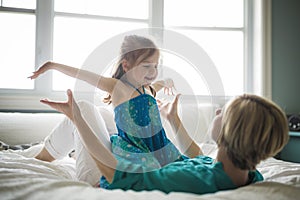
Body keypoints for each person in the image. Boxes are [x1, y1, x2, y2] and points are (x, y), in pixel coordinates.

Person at [40, 90, 289, 194]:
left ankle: (33, 158)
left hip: (101, 178)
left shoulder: (193, 180)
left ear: (232, 132)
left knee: (83, 109)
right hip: (125, 164)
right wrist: (173, 119)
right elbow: (199, 156)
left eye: (223, 112)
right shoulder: (246, 174)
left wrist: (77, 119)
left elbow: (115, 174)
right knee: (104, 114)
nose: (217, 112)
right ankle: (38, 151)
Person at [29, 35, 198, 186]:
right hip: (135, 152)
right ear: (126, 66)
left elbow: (160, 82)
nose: (153, 72)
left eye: (155, 66)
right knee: (94, 111)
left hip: (158, 148)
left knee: (102, 114)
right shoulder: (119, 87)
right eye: (146, 66)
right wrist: (52, 65)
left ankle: (68, 154)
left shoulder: (148, 90)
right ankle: (44, 157)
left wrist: (168, 81)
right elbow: (83, 74)